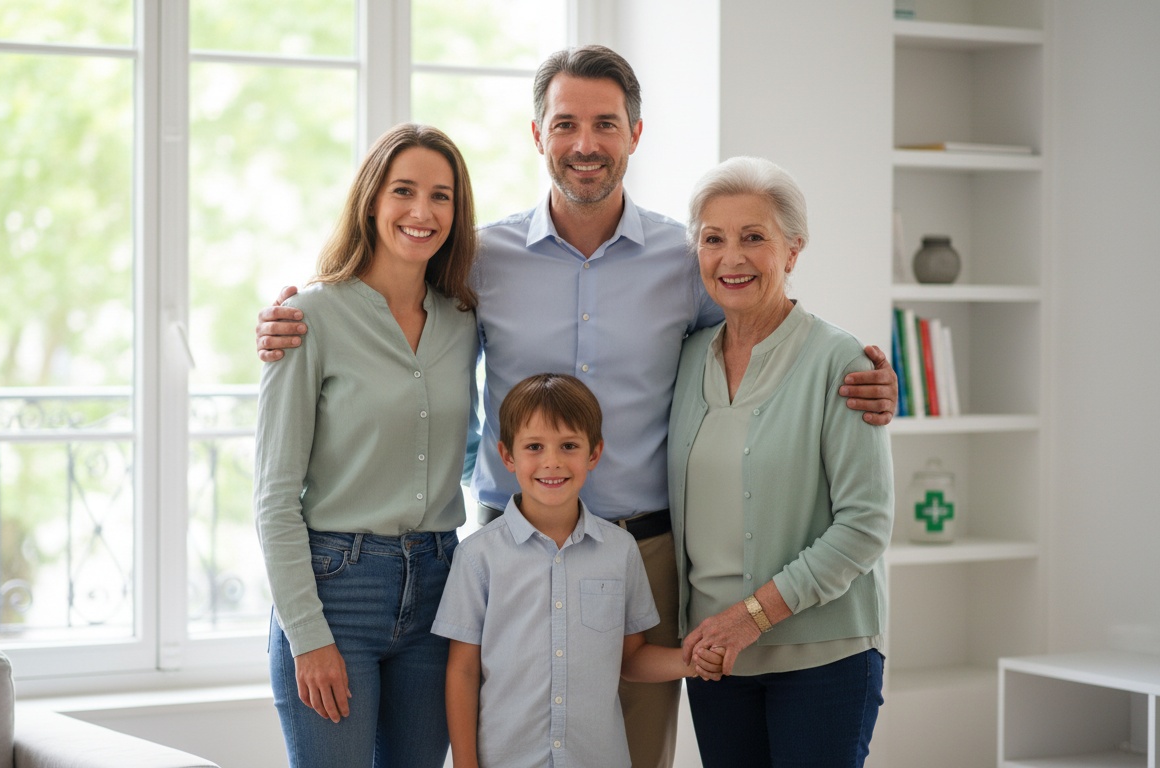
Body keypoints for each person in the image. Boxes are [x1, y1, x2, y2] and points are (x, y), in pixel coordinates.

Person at [255, 46, 898, 768]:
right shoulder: (479, 258)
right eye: (565, 124)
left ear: (635, 133)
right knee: (506, 744)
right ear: (538, 135)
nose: (585, 144)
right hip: (509, 548)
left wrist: (866, 372)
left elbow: (761, 315)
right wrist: (293, 310)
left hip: (645, 553)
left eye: (604, 124)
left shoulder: (682, 260)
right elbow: (391, 318)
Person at [254, 123, 480, 768]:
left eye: (441, 196)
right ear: (371, 201)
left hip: (440, 587)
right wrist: (306, 634)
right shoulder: (310, 318)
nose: (421, 211)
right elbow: (273, 495)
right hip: (336, 591)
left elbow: (454, 450)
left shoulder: (463, 322)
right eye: (403, 191)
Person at [669, 156, 895, 767]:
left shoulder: (840, 360)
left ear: (792, 251)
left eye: (753, 238)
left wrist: (751, 617)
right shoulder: (687, 357)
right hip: (716, 657)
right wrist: (724, 631)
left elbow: (865, 525)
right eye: (713, 239)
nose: (730, 257)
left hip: (822, 658)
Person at [433, 373, 722, 768]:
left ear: (594, 453)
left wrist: (692, 662)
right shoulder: (477, 556)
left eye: (569, 446)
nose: (552, 461)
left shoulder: (619, 551)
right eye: (534, 446)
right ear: (507, 456)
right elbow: (462, 671)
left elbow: (631, 660)